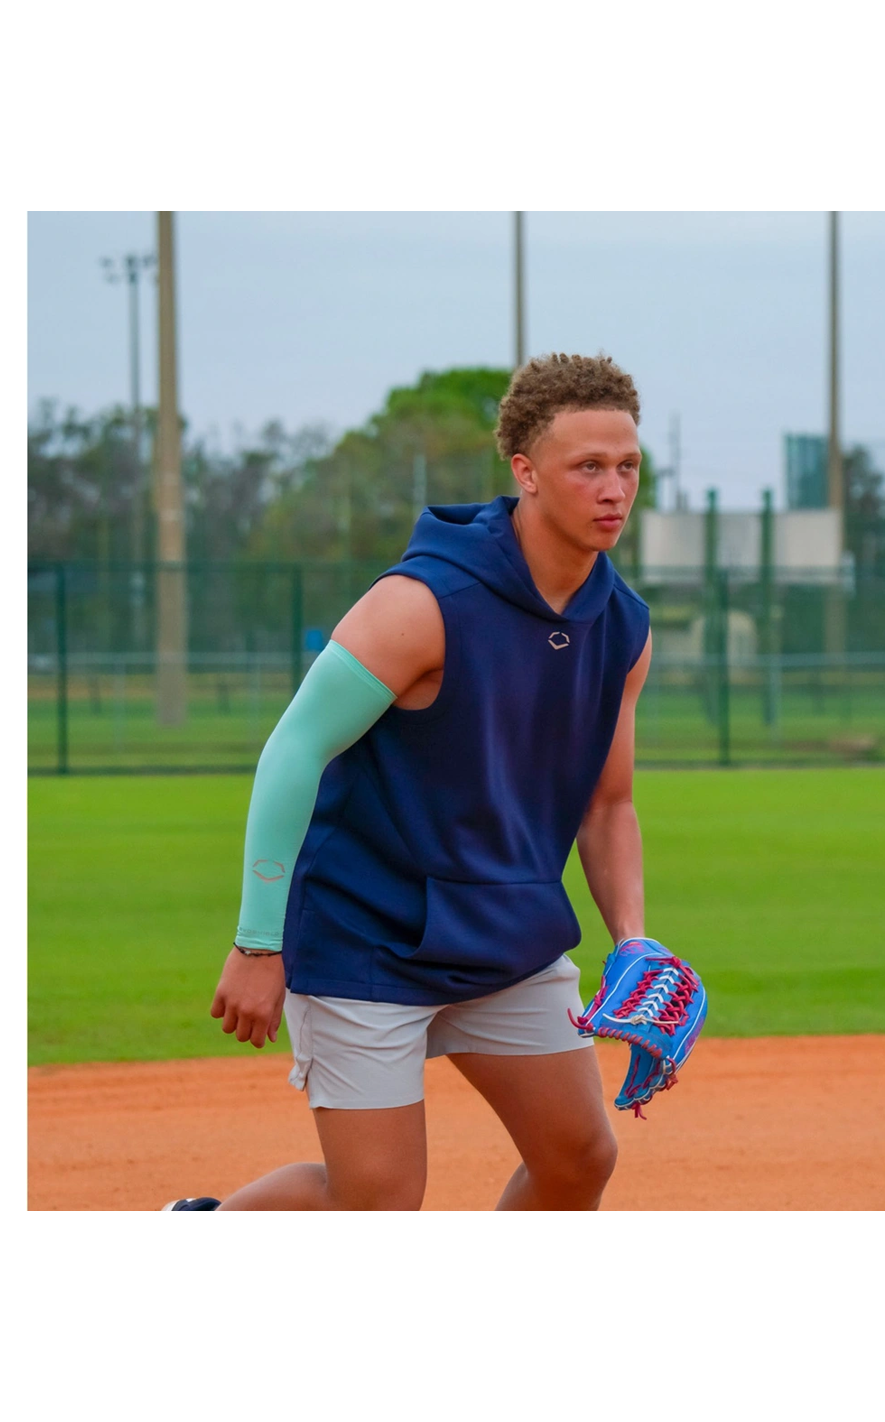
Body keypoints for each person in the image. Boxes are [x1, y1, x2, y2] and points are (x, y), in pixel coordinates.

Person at [163, 352, 653, 1212]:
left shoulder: (622, 625)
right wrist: (258, 944)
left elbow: (608, 804)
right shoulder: (424, 603)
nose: (613, 489)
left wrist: (633, 945)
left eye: (627, 466)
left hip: (505, 932)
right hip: (368, 932)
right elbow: (293, 751)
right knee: (378, 1200)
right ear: (526, 472)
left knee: (579, 1158)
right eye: (587, 467)